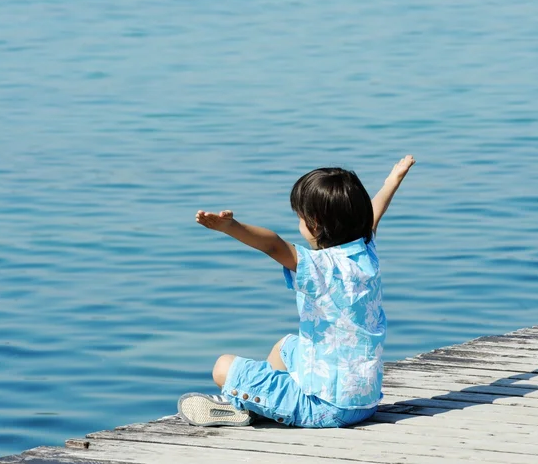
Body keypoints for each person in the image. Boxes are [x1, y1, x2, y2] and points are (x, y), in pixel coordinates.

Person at [177, 155, 416, 428]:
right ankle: (265, 400)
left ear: (314, 223)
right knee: (287, 346)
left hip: (325, 409)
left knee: (223, 366)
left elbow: (273, 245)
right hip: (364, 403)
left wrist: (232, 227)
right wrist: (392, 180)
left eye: (300, 217)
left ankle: (248, 406)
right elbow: (374, 214)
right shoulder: (365, 252)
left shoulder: (319, 267)